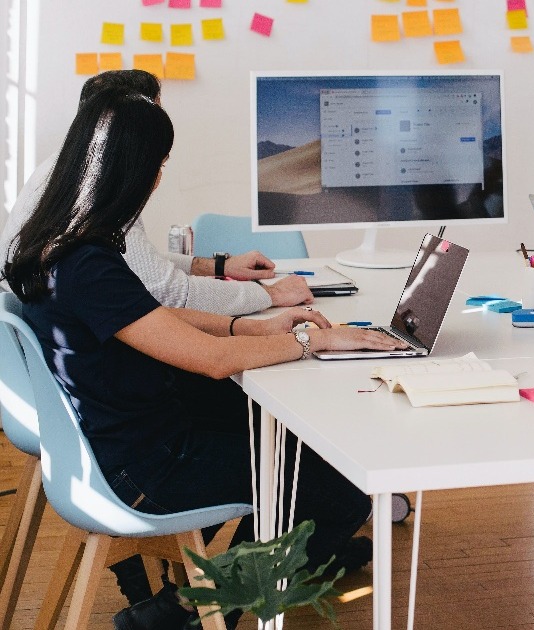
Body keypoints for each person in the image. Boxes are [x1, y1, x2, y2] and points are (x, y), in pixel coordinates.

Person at [1, 89, 408, 630]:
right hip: (141, 468)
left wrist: (252, 327)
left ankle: (202, 597)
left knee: (287, 443)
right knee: (338, 484)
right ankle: (198, 611)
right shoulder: (88, 263)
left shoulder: (57, 243)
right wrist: (316, 342)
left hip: (121, 437)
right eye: (159, 165)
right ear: (136, 170)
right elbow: (213, 360)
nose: (160, 178)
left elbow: (156, 318)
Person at [0, 69, 312, 315]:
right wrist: (270, 295)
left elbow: (131, 261)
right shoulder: (98, 191)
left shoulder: (63, 171)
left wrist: (219, 267)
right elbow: (170, 293)